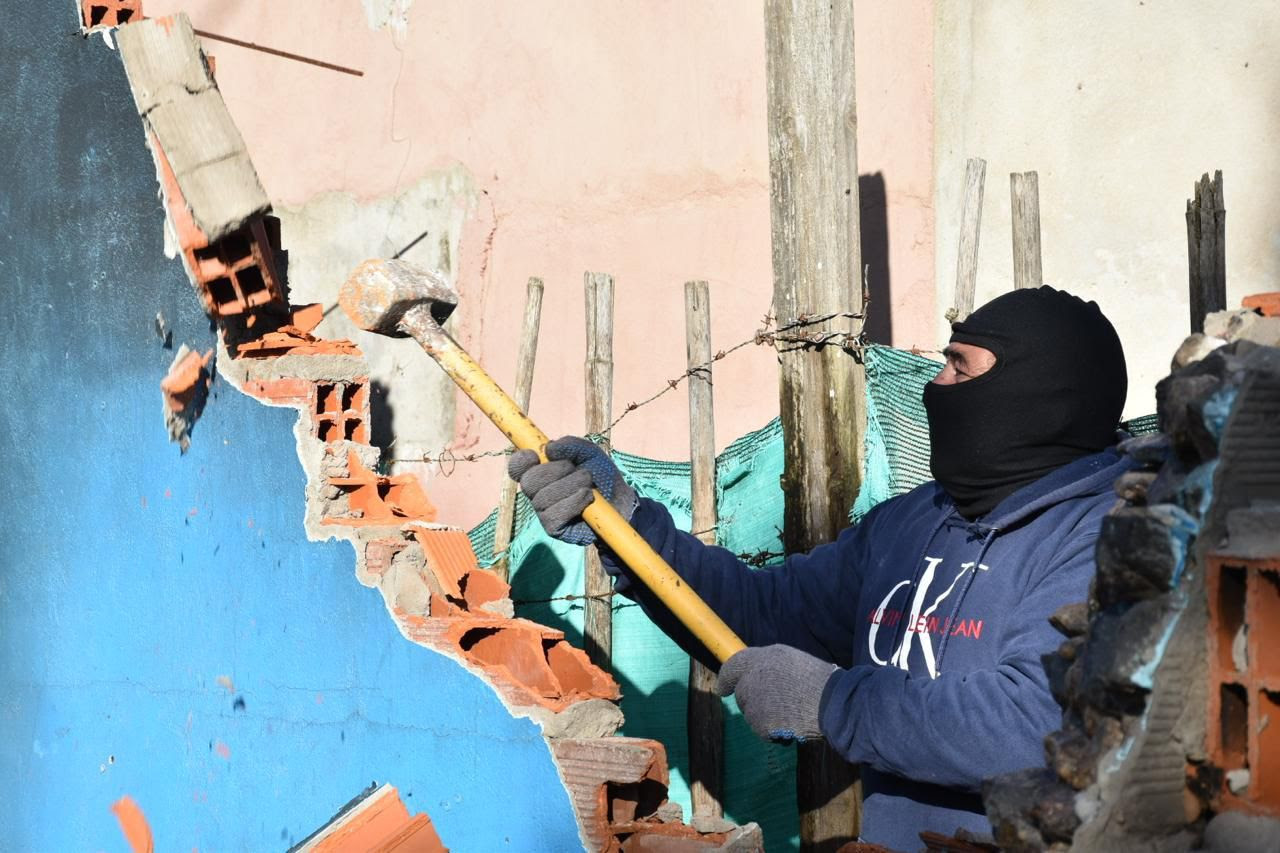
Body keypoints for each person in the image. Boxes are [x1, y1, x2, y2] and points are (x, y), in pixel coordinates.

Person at [508, 286, 1130, 850]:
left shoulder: (1111, 541)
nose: (935, 385)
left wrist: (835, 703)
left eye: (959, 368)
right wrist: (627, 529)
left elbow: (1037, 727)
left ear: (1038, 398)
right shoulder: (915, 521)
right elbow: (766, 614)